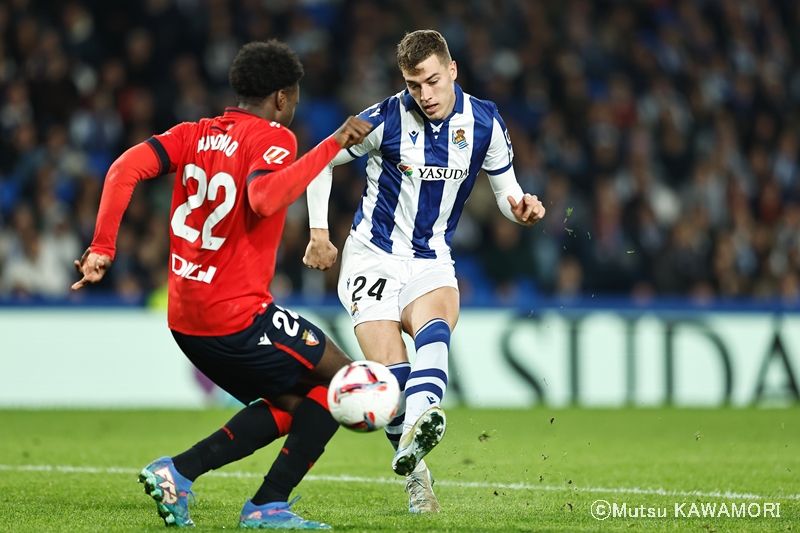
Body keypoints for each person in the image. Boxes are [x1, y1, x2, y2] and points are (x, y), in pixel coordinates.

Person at [72, 40, 372, 529]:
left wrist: (103, 246)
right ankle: (265, 506)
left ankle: (182, 472)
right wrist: (334, 142)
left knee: (303, 404)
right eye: (294, 98)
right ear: (281, 96)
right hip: (235, 315)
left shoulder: (193, 134)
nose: (293, 108)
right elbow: (264, 197)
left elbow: (123, 168)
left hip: (186, 318)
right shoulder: (274, 137)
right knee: (341, 381)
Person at [303, 29, 546, 514]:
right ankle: (417, 473)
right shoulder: (381, 119)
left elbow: (506, 191)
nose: (425, 95)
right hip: (371, 257)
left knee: (436, 328)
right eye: (414, 86)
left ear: (452, 70)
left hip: (430, 256)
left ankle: (416, 430)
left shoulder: (485, 123)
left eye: (433, 82)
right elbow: (320, 160)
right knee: (391, 378)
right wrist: (318, 233)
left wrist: (520, 207)